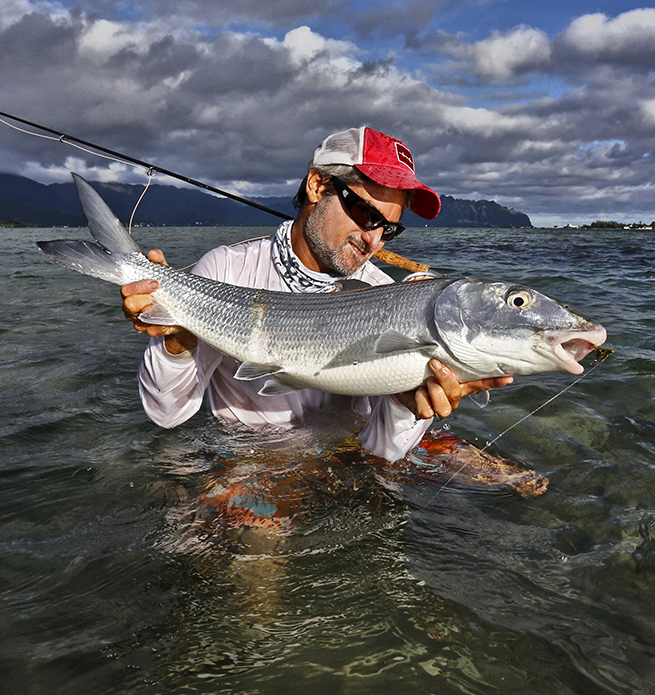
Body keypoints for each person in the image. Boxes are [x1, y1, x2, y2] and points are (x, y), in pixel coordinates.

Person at [122, 126, 512, 462]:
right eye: (365, 215)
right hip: (257, 459)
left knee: (515, 480)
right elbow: (166, 414)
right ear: (317, 185)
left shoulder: (386, 296)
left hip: (349, 455)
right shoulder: (226, 271)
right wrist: (178, 342)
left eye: (389, 229)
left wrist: (405, 406)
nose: (373, 240)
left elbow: (384, 451)